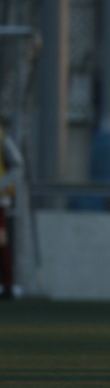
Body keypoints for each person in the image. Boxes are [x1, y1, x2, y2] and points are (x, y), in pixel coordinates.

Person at [0, 126, 23, 299]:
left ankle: (8, 285)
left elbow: (17, 165)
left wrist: (2, 185)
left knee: (1, 243)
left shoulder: (3, 139)